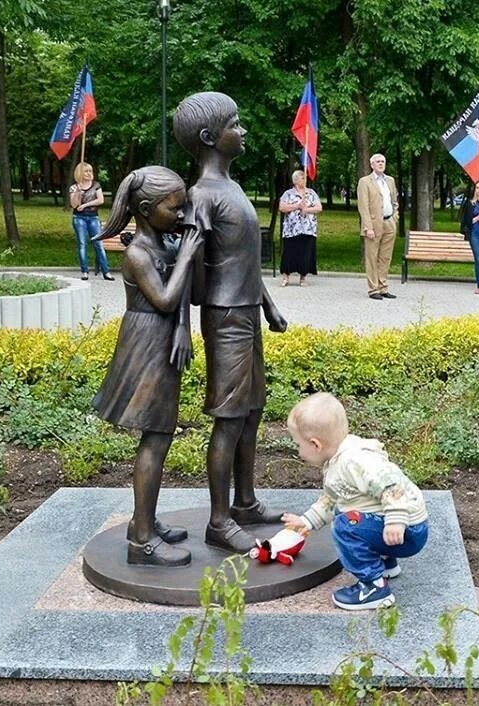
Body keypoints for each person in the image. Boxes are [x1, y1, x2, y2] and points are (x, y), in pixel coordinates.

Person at [173, 91, 289, 553]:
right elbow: (186, 265)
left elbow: (242, 260)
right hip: (223, 318)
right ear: (209, 137)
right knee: (228, 417)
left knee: (252, 410)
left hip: (245, 312)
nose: (243, 131)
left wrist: (267, 303)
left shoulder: (233, 188)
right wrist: (181, 325)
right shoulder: (200, 196)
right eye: (234, 124)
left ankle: (244, 502)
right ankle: (219, 521)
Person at [93, 166, 204, 566]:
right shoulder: (139, 253)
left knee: (161, 435)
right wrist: (188, 255)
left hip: (161, 339)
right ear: (144, 208)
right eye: (174, 209)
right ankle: (142, 540)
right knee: (155, 437)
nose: (181, 215)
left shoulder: (162, 244)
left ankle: (144, 521)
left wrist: (184, 330)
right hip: (145, 344)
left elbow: (184, 299)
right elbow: (166, 299)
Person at [281, 393, 429, 611]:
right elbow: (332, 499)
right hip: (399, 528)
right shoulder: (338, 458)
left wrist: (396, 519)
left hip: (407, 530)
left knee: (346, 524)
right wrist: (307, 521)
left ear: (315, 444)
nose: (298, 451)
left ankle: (374, 587)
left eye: (298, 445)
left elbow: (390, 484)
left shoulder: (355, 461)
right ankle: (385, 563)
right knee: (349, 510)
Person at [357, 153, 398, 300]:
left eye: (383, 161)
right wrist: (368, 227)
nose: (381, 164)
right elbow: (363, 206)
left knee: (385, 257)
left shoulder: (390, 181)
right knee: (372, 257)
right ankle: (373, 289)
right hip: (373, 224)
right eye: (378, 162)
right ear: (372, 164)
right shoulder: (365, 181)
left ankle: (383, 286)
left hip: (389, 222)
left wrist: (395, 217)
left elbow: (395, 201)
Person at [69, 162, 114, 281]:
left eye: (90, 171)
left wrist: (85, 205)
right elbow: (74, 205)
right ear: (80, 173)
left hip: (93, 217)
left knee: (98, 244)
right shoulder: (74, 187)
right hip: (79, 218)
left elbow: (100, 200)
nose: (89, 173)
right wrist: (78, 193)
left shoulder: (96, 185)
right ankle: (84, 271)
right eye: (86, 171)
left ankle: (106, 271)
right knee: (82, 244)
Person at [278, 169, 321, 287]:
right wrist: (297, 206)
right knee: (289, 253)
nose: (305, 180)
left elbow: (319, 207)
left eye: (305, 178)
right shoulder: (288, 194)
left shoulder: (311, 193)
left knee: (305, 253)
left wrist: (306, 209)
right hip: (291, 229)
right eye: (303, 178)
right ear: (296, 180)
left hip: (308, 229)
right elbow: (282, 207)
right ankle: (286, 277)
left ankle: (303, 278)